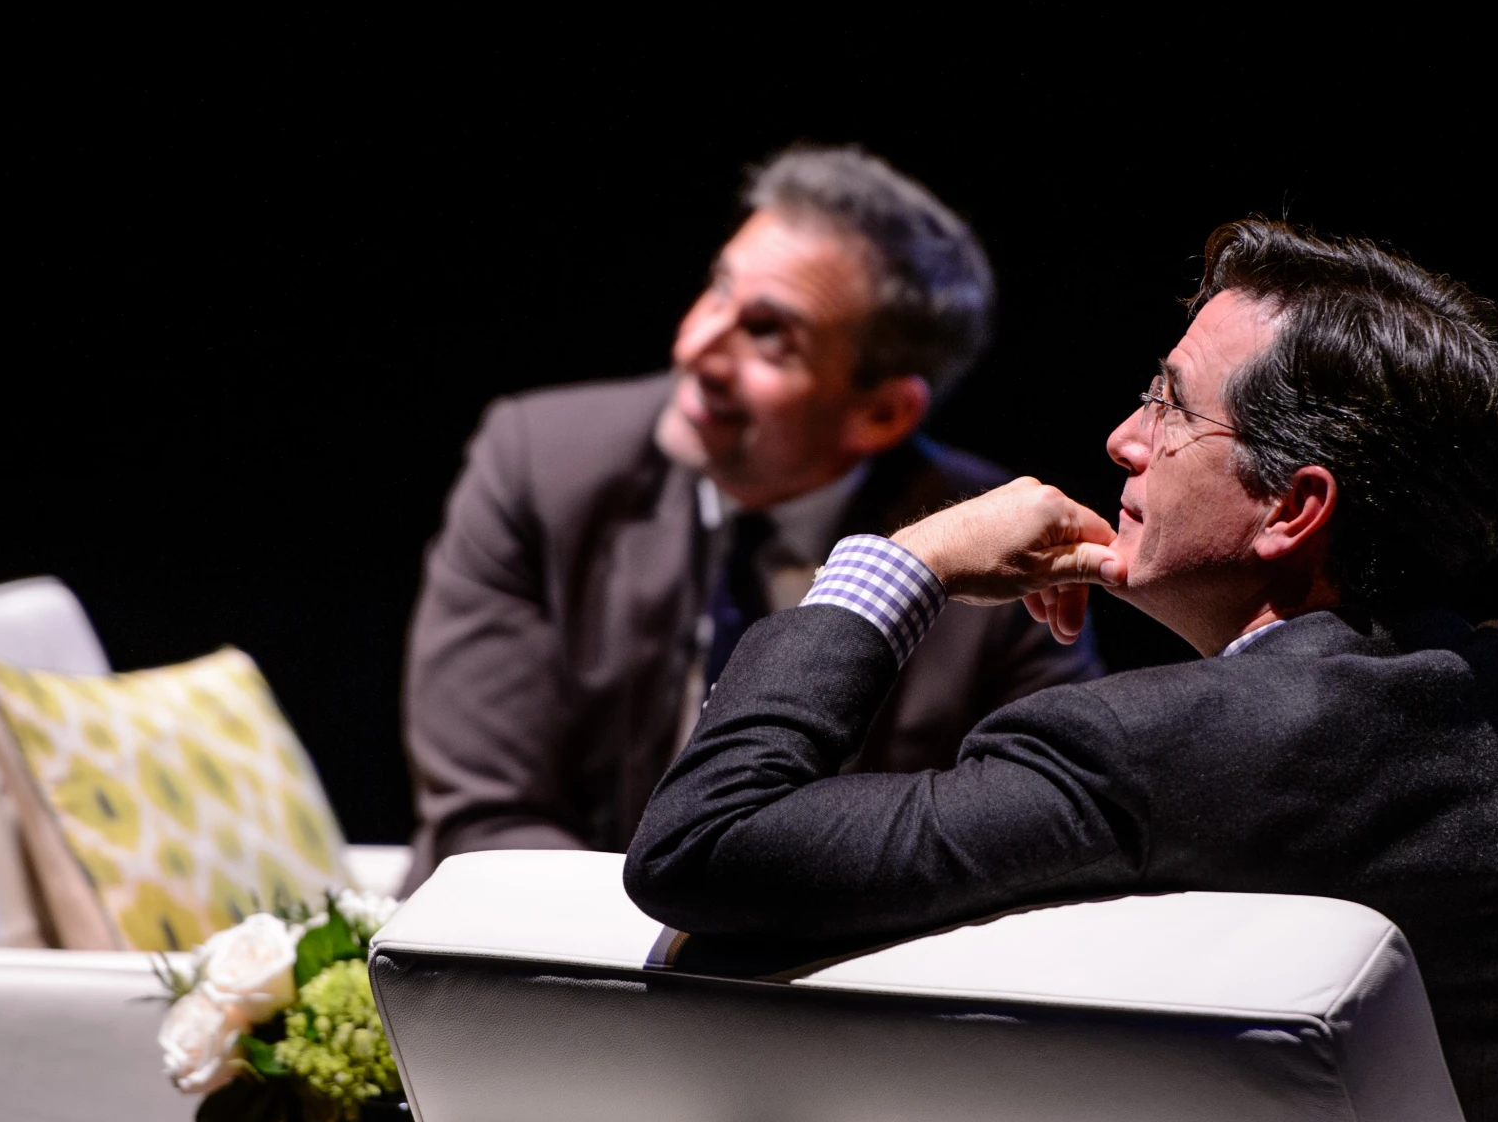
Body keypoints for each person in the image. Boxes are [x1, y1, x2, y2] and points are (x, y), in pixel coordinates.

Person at [628, 218, 1498, 1122]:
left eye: (1171, 407)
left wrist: (901, 564)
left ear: (1292, 509)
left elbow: (704, 843)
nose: (1123, 439)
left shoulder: (1152, 749)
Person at [401, 148, 1102, 892]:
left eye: (769, 333)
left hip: (827, 984)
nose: (695, 347)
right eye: (717, 290)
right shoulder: (539, 464)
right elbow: (485, 814)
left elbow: (1031, 842)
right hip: (529, 959)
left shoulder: (1005, 553)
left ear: (881, 412)